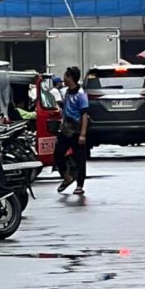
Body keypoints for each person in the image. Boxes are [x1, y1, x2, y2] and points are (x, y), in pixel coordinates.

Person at [55, 66, 90, 195]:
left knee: (80, 158)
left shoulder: (81, 94)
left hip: (76, 130)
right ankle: (67, 177)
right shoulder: (66, 92)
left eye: (65, 75)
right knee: (58, 153)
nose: (63, 78)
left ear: (70, 77)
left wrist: (83, 134)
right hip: (65, 129)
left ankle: (80, 185)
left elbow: (84, 115)